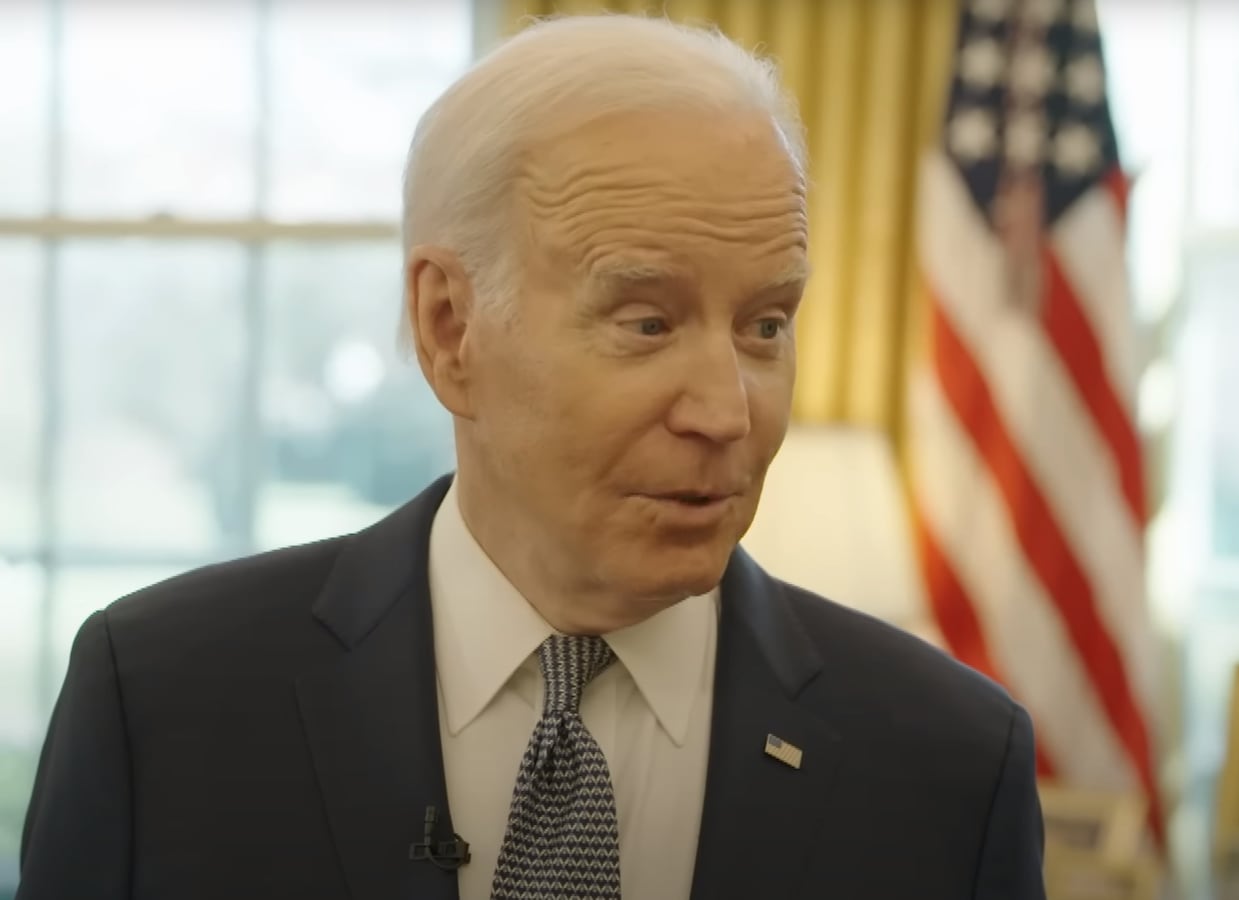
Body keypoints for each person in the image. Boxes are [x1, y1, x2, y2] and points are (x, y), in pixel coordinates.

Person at [19, 14, 1045, 900]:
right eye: (647, 322)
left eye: (765, 325)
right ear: (450, 327)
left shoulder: (949, 764)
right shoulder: (163, 700)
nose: (727, 411)